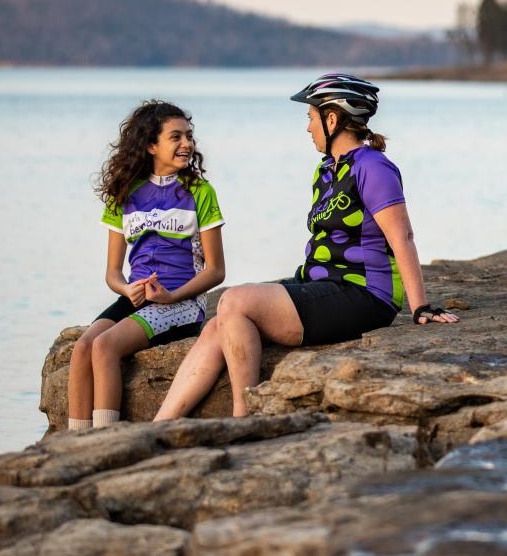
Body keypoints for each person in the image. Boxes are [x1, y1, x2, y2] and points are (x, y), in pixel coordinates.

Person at [155, 73, 457, 420]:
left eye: (311, 118)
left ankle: (243, 416)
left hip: (364, 294)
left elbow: (402, 237)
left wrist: (420, 307)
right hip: (322, 284)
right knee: (217, 325)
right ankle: (159, 425)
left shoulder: (374, 168)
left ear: (333, 119)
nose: (308, 128)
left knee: (235, 301)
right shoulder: (327, 170)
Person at [68, 101, 226, 430]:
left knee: (105, 346)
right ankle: (74, 443)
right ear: (151, 145)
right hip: (136, 298)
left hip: (182, 301)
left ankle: (104, 442)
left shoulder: (200, 193)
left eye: (189, 136)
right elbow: (113, 272)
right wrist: (127, 289)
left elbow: (216, 271)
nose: (187, 144)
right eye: (176, 137)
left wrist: (171, 296)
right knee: (82, 348)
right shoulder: (125, 194)